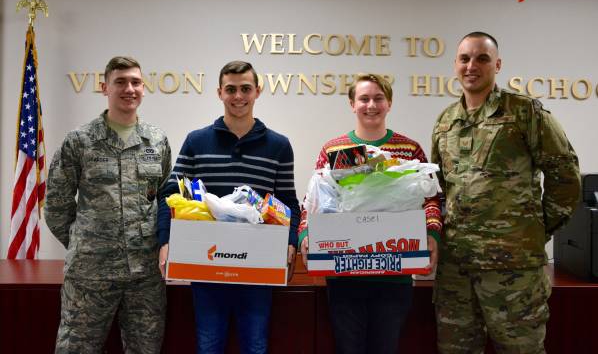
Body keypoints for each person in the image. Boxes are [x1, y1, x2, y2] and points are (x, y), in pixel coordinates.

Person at [432, 32, 581, 354]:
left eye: (482, 58)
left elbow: (566, 178)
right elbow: (440, 188)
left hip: (513, 269)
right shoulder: (446, 122)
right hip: (457, 267)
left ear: (497, 65)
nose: (472, 66)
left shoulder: (526, 113)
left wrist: (533, 230)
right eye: (464, 59)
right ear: (455, 65)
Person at [157, 60, 300, 354]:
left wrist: (290, 243)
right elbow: (170, 193)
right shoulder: (196, 141)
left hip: (259, 267)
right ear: (219, 93)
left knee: (255, 346)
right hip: (207, 267)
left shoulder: (279, 145)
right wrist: (166, 241)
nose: (238, 96)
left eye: (245, 89)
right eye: (231, 89)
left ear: (257, 91)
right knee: (208, 346)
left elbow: (288, 202)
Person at [299, 73, 442, 354]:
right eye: (364, 99)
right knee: (347, 348)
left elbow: (431, 199)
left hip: (394, 271)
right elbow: (314, 200)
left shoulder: (409, 149)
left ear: (389, 103)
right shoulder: (334, 149)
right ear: (352, 104)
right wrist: (306, 233)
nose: (371, 105)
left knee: (385, 348)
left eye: (378, 98)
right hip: (344, 272)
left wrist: (432, 232)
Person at [45, 56, 172, 353]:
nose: (130, 89)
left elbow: (165, 199)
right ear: (105, 88)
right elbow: (56, 205)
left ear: (143, 87)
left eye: (136, 82)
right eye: (121, 82)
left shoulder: (157, 140)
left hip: (145, 274)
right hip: (90, 274)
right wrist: (86, 241)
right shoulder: (79, 140)